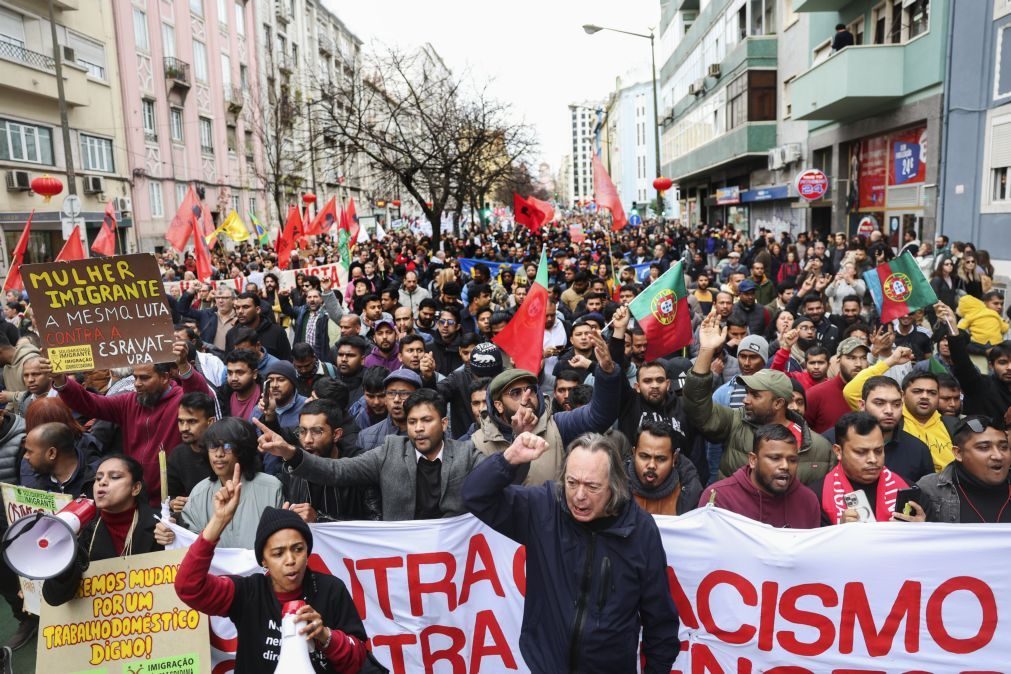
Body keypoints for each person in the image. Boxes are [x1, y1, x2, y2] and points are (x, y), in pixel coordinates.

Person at [462, 432, 680, 673]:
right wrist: (509, 459)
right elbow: (475, 495)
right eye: (572, 482)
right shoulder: (544, 507)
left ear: (614, 485)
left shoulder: (640, 530)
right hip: (546, 665)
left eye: (592, 486)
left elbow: (659, 620)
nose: (579, 496)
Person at [174, 470, 373, 673]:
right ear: (263, 560)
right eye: (278, 553)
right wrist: (219, 520)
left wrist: (325, 636)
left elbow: (357, 659)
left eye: (298, 549)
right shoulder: (248, 592)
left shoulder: (330, 589)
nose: (290, 560)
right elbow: (188, 587)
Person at [258, 389, 485, 521]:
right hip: (403, 558)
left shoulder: (465, 453)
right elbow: (336, 470)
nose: (419, 428)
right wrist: (291, 453)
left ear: (444, 423)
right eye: (412, 421)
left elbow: (495, 480)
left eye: (427, 420)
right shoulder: (390, 451)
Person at [43, 341, 209, 506]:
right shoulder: (129, 401)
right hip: (135, 498)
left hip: (172, 501)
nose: (136, 383)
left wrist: (184, 366)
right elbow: (90, 404)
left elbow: (200, 398)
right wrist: (60, 380)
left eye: (144, 378)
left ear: (165, 377)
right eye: (135, 377)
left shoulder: (181, 400)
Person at [684, 310, 832, 483]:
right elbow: (696, 406)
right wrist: (706, 350)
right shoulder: (736, 422)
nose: (746, 399)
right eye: (747, 393)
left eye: (755, 395)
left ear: (778, 403)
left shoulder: (819, 449)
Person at [471, 328, 624, 486]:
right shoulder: (476, 442)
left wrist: (607, 373)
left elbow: (599, 416)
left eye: (530, 389)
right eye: (515, 392)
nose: (526, 397)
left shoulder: (558, 426)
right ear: (499, 406)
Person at [42, 455, 163, 605]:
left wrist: (172, 541)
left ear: (135, 488)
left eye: (115, 477)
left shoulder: (161, 526)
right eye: (98, 478)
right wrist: (65, 550)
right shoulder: (83, 528)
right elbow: (54, 597)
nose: (102, 483)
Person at [169, 417, 283, 548]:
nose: (219, 454)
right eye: (213, 446)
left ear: (243, 449)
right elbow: (190, 544)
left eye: (227, 446)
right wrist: (170, 531)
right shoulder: (198, 493)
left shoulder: (271, 487)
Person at [843, 346, 955, 471]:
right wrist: (891, 361)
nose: (925, 396)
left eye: (931, 392)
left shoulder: (951, 425)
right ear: (902, 395)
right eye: (917, 391)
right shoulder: (892, 420)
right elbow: (850, 391)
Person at [699, 424, 820, 528]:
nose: (785, 466)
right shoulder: (719, 498)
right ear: (753, 460)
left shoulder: (808, 501)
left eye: (792, 460)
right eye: (775, 458)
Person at [278, 400, 381, 522]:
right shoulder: (292, 468)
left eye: (316, 431)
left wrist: (319, 520)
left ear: (336, 434)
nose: (307, 440)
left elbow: (375, 523)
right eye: (302, 431)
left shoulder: (360, 465)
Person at [809, 412, 918, 525]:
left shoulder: (909, 491)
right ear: (838, 451)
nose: (873, 459)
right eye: (861, 452)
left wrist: (922, 527)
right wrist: (840, 531)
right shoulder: (815, 497)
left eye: (878, 451)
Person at [916, 415, 1011, 523]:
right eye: (984, 448)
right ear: (958, 453)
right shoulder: (929, 489)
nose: (998, 456)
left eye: (1004, 447)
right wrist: (920, 527)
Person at [628, 420, 702, 515]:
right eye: (644, 456)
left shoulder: (690, 493)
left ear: (674, 459)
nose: (651, 465)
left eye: (661, 459)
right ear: (634, 454)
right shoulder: (615, 488)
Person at [804, 337, 870, 433]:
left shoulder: (873, 394)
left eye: (863, 358)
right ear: (838, 360)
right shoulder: (815, 394)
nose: (858, 364)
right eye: (851, 358)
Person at [167, 392, 217, 517]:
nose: (184, 428)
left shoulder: (224, 453)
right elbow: (171, 495)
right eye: (180, 421)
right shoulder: (177, 455)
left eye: (192, 422)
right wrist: (174, 503)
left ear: (210, 422)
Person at [20, 421, 96, 496]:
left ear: (52, 453)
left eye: (29, 452)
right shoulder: (37, 482)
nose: (25, 457)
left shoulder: (94, 481)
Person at [356, 368, 419, 451]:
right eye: (391, 393)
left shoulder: (429, 435)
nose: (396, 400)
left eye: (404, 393)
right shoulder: (365, 437)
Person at [226, 291, 292, 361]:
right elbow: (228, 362)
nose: (240, 311)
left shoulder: (277, 332)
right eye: (237, 308)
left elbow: (287, 363)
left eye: (245, 307)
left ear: (257, 310)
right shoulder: (231, 334)